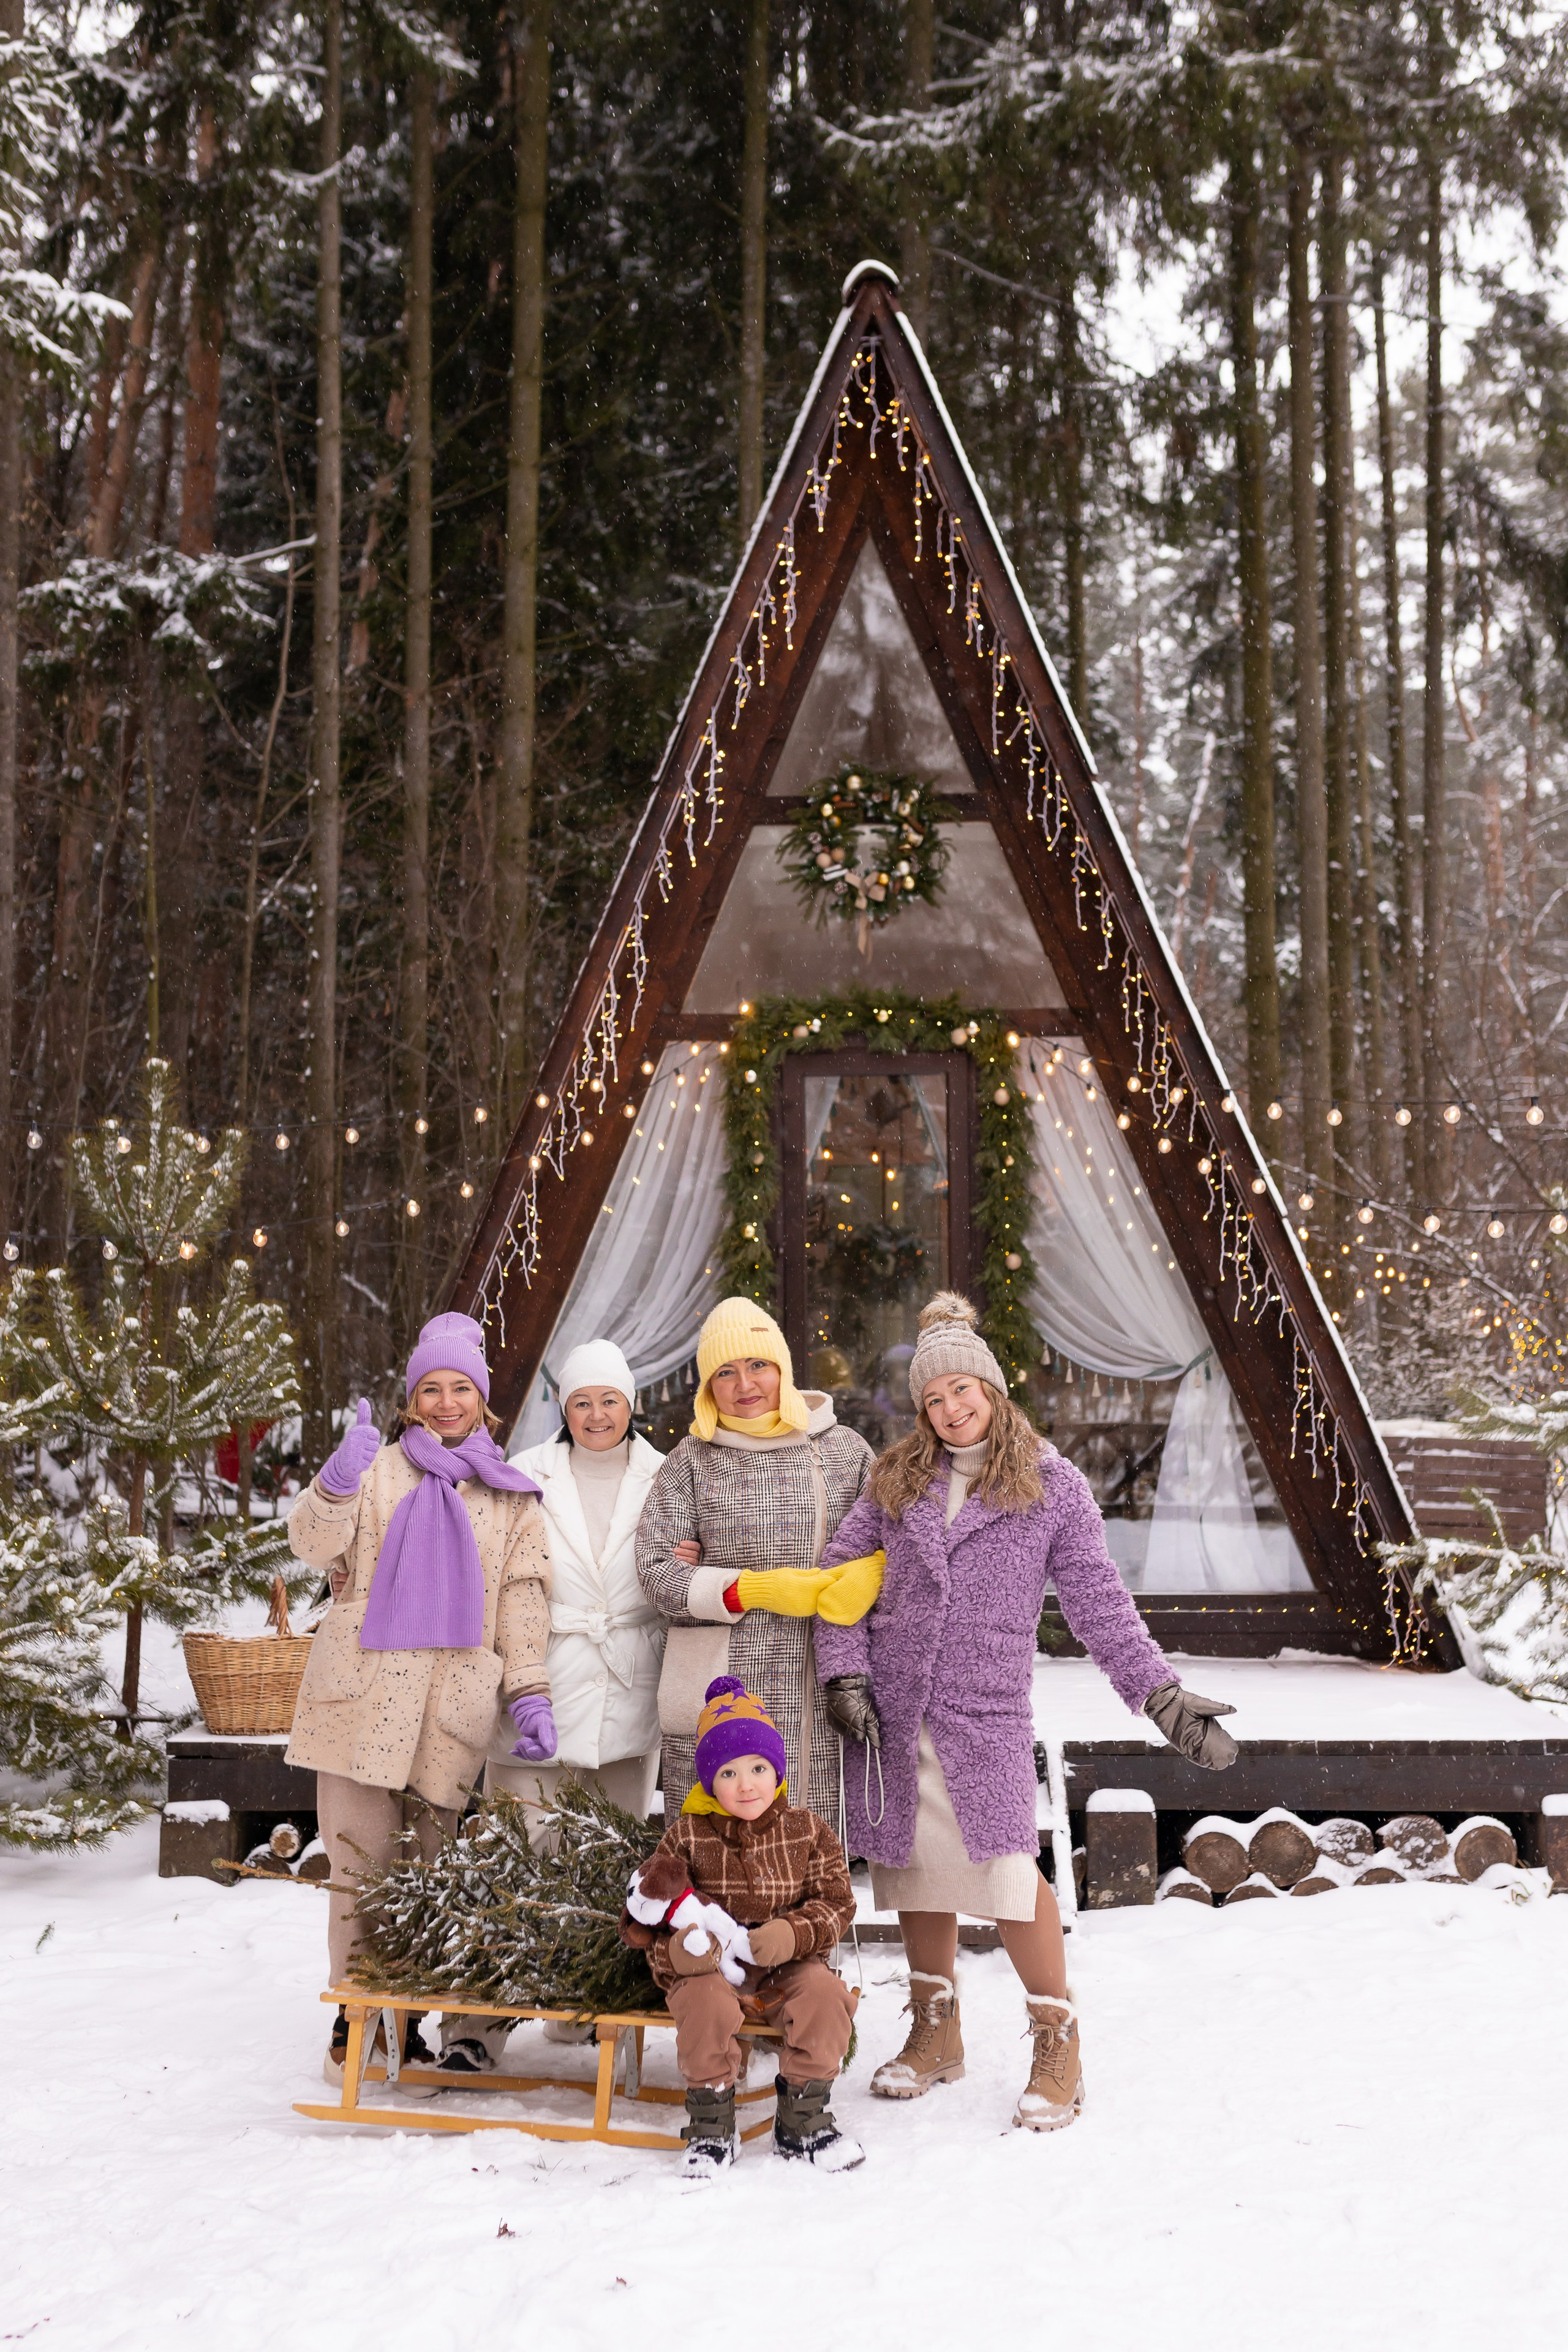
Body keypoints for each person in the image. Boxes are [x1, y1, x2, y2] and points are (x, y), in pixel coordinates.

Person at [815, 1291, 1237, 2132]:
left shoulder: (1050, 1485)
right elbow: (838, 1579)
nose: (949, 1409)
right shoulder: (897, 1479)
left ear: (992, 1389)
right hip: (898, 1710)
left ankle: (1058, 2037)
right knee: (914, 1871)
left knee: (1010, 1877)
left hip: (985, 1713)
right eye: (933, 1399)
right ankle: (937, 2036)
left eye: (962, 1391)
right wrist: (844, 1677)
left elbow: (1098, 1603)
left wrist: (1157, 1693)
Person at [284, 1311, 554, 2083]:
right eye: (430, 1388)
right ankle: (356, 2013)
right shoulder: (375, 1472)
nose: (444, 1402)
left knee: (426, 1872)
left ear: (483, 1401)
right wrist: (334, 1481)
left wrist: (529, 1693)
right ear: (411, 1399)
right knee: (360, 1865)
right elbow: (310, 1545)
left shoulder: (512, 1499)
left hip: (448, 1710)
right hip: (360, 1701)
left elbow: (523, 1605)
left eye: (459, 1388)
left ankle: (405, 2013)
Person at [636, 1298, 874, 1824]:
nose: (745, 1385)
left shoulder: (844, 1451)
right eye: (726, 1372)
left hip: (818, 1675)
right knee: (724, 1859)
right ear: (707, 1387)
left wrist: (869, 1574)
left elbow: (893, 1545)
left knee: (811, 1854)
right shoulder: (690, 1460)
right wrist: (750, 1589)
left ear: (783, 1370)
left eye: (758, 1366)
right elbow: (656, 1571)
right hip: (723, 1682)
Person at [619, 1675, 860, 2181]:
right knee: (701, 2002)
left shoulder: (807, 1830)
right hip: (713, 1971)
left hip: (786, 1966)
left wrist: (794, 1933)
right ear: (709, 1781)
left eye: (758, 1768)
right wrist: (682, 1954)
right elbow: (657, 1914)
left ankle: (804, 2119)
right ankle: (711, 2125)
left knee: (824, 1995)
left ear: (777, 1772)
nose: (746, 1784)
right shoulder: (686, 1836)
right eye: (728, 1773)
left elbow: (837, 1902)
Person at [494, 1340, 665, 1836]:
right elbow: (501, 1577)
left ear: (630, 1405)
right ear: (564, 1408)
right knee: (522, 1860)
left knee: (613, 1863)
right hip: (542, 1682)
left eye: (609, 1400)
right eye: (581, 1402)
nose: (596, 1415)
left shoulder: (668, 1474)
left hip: (631, 1689)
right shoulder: (523, 1473)